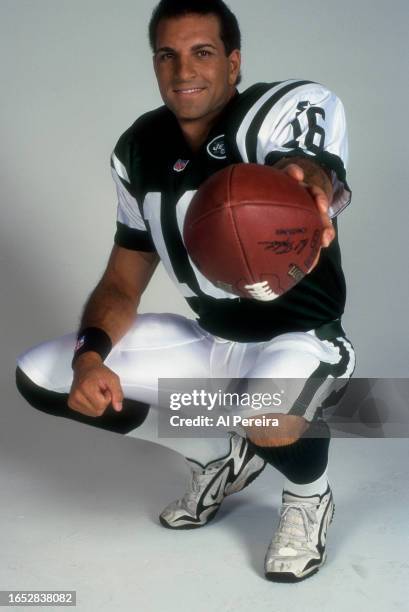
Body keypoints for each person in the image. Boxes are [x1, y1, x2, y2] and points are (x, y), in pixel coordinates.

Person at [16, 0, 355, 583]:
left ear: (233, 62)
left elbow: (308, 160)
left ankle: (308, 495)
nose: (183, 71)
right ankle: (214, 455)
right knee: (45, 374)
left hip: (300, 336)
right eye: (167, 56)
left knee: (269, 419)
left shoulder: (271, 113)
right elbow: (123, 281)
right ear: (154, 65)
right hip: (213, 340)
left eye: (202, 52)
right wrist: (90, 355)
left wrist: (308, 182)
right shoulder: (139, 149)